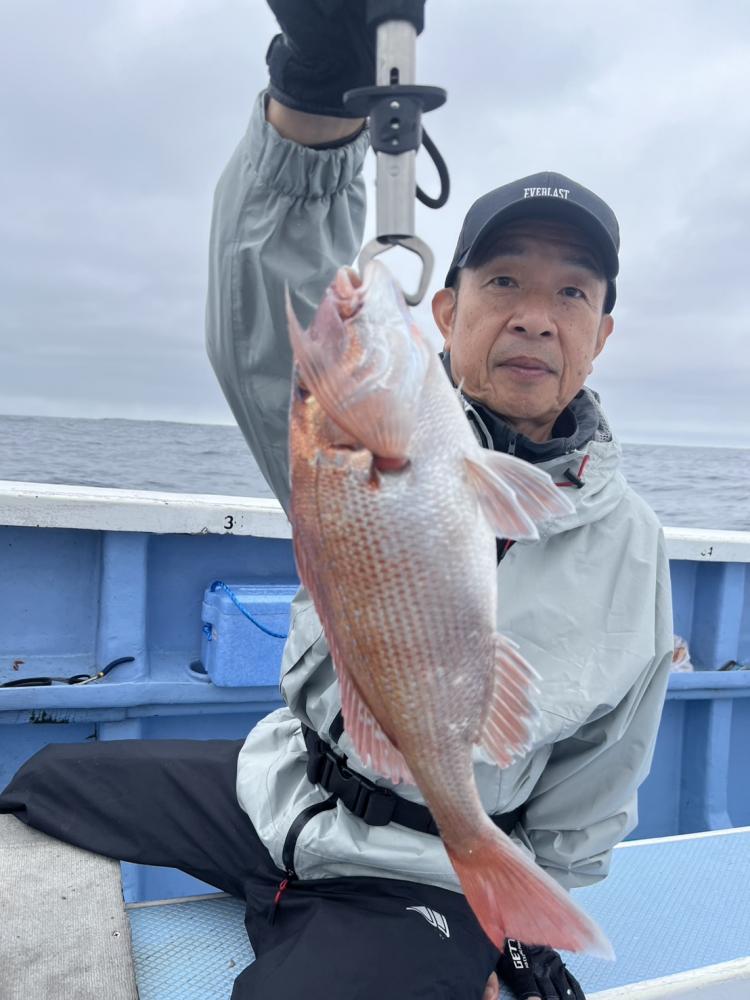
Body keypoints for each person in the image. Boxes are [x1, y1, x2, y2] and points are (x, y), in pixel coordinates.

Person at [0, 4, 673, 999]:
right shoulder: (353, 439)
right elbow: (264, 289)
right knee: (44, 783)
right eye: (503, 281)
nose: (535, 316)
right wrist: (314, 93)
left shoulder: (633, 547)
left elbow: (603, 768)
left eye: (572, 293)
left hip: (424, 867)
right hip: (280, 788)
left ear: (602, 333)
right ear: (445, 309)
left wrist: (522, 931)